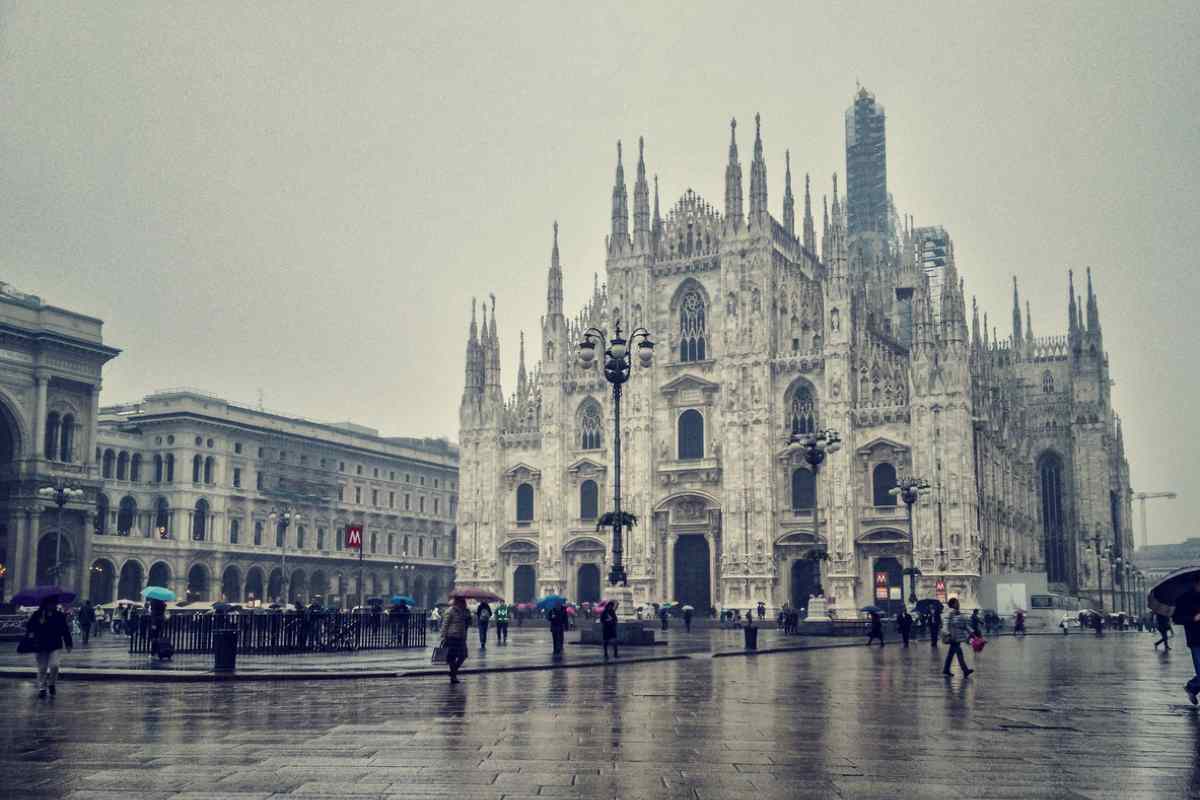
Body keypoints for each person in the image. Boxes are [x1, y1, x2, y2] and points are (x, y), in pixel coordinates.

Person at [24, 596, 73, 697]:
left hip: (55, 644)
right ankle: (42, 688)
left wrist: (68, 643)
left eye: (54, 604)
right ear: (46, 604)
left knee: (54, 665)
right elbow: (29, 627)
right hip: (40, 645)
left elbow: (65, 630)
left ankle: (51, 684)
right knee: (42, 668)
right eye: (51, 604)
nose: (53, 606)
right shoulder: (37, 614)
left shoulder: (59, 615)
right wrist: (38, 623)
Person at [1172, 576, 1200, 704]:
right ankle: (1192, 687)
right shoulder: (1184, 599)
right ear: (1195, 584)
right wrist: (1193, 618)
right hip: (1196, 639)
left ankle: (1192, 687)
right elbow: (1177, 619)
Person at [440, 597, 470, 684]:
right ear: (458, 603)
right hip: (452, 636)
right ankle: (453, 676)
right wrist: (443, 636)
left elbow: (468, 623)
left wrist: (468, 616)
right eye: (463, 602)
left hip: (461, 637)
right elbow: (445, 624)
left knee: (463, 655)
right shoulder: (450, 611)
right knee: (452, 657)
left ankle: (453, 672)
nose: (465, 604)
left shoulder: (464, 611)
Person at [942, 598, 974, 678]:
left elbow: (964, 625)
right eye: (957, 603)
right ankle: (965, 670)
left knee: (950, 655)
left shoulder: (958, 613)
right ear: (952, 604)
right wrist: (948, 633)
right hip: (953, 637)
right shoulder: (949, 613)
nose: (958, 604)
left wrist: (971, 631)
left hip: (957, 637)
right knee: (959, 654)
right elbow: (945, 624)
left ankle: (946, 669)